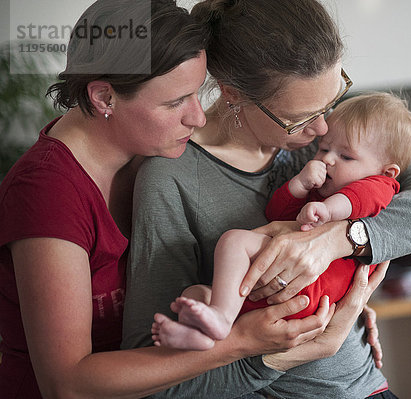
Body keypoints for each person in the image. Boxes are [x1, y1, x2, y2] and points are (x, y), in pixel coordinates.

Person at [0, 1, 381, 398]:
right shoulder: (47, 195)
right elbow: (67, 385)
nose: (198, 117)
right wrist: (243, 342)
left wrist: (335, 288)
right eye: (174, 102)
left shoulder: (147, 152)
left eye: (198, 93)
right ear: (104, 98)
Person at [122, 1, 411, 398]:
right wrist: (274, 357)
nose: (324, 127)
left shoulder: (329, 143)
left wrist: (337, 239)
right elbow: (151, 382)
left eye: (330, 102)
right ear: (233, 94)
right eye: (302, 118)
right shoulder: (171, 179)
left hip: (369, 388)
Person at [151, 91, 411, 350]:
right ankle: (201, 336)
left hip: (311, 290)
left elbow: (359, 200)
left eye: (345, 156)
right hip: (281, 290)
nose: (327, 159)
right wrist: (299, 185)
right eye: (324, 149)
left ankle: (220, 320)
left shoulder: (381, 185)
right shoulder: (323, 190)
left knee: (234, 241)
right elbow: (276, 215)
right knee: (195, 295)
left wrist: (327, 211)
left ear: (388, 171)